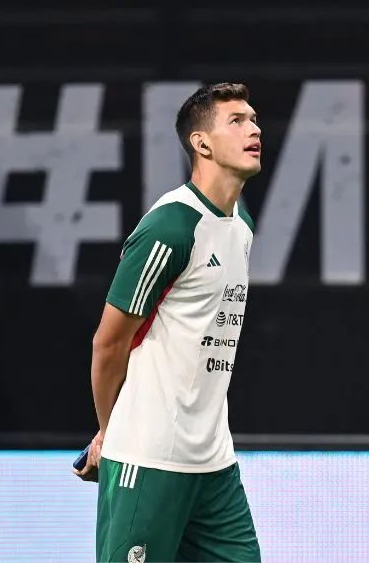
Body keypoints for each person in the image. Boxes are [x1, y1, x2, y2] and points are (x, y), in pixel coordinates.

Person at [73, 82, 263, 563]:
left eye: (254, 119)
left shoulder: (241, 226)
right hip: (149, 459)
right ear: (201, 144)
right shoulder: (170, 227)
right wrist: (107, 431)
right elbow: (109, 345)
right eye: (236, 121)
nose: (254, 129)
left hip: (215, 465)